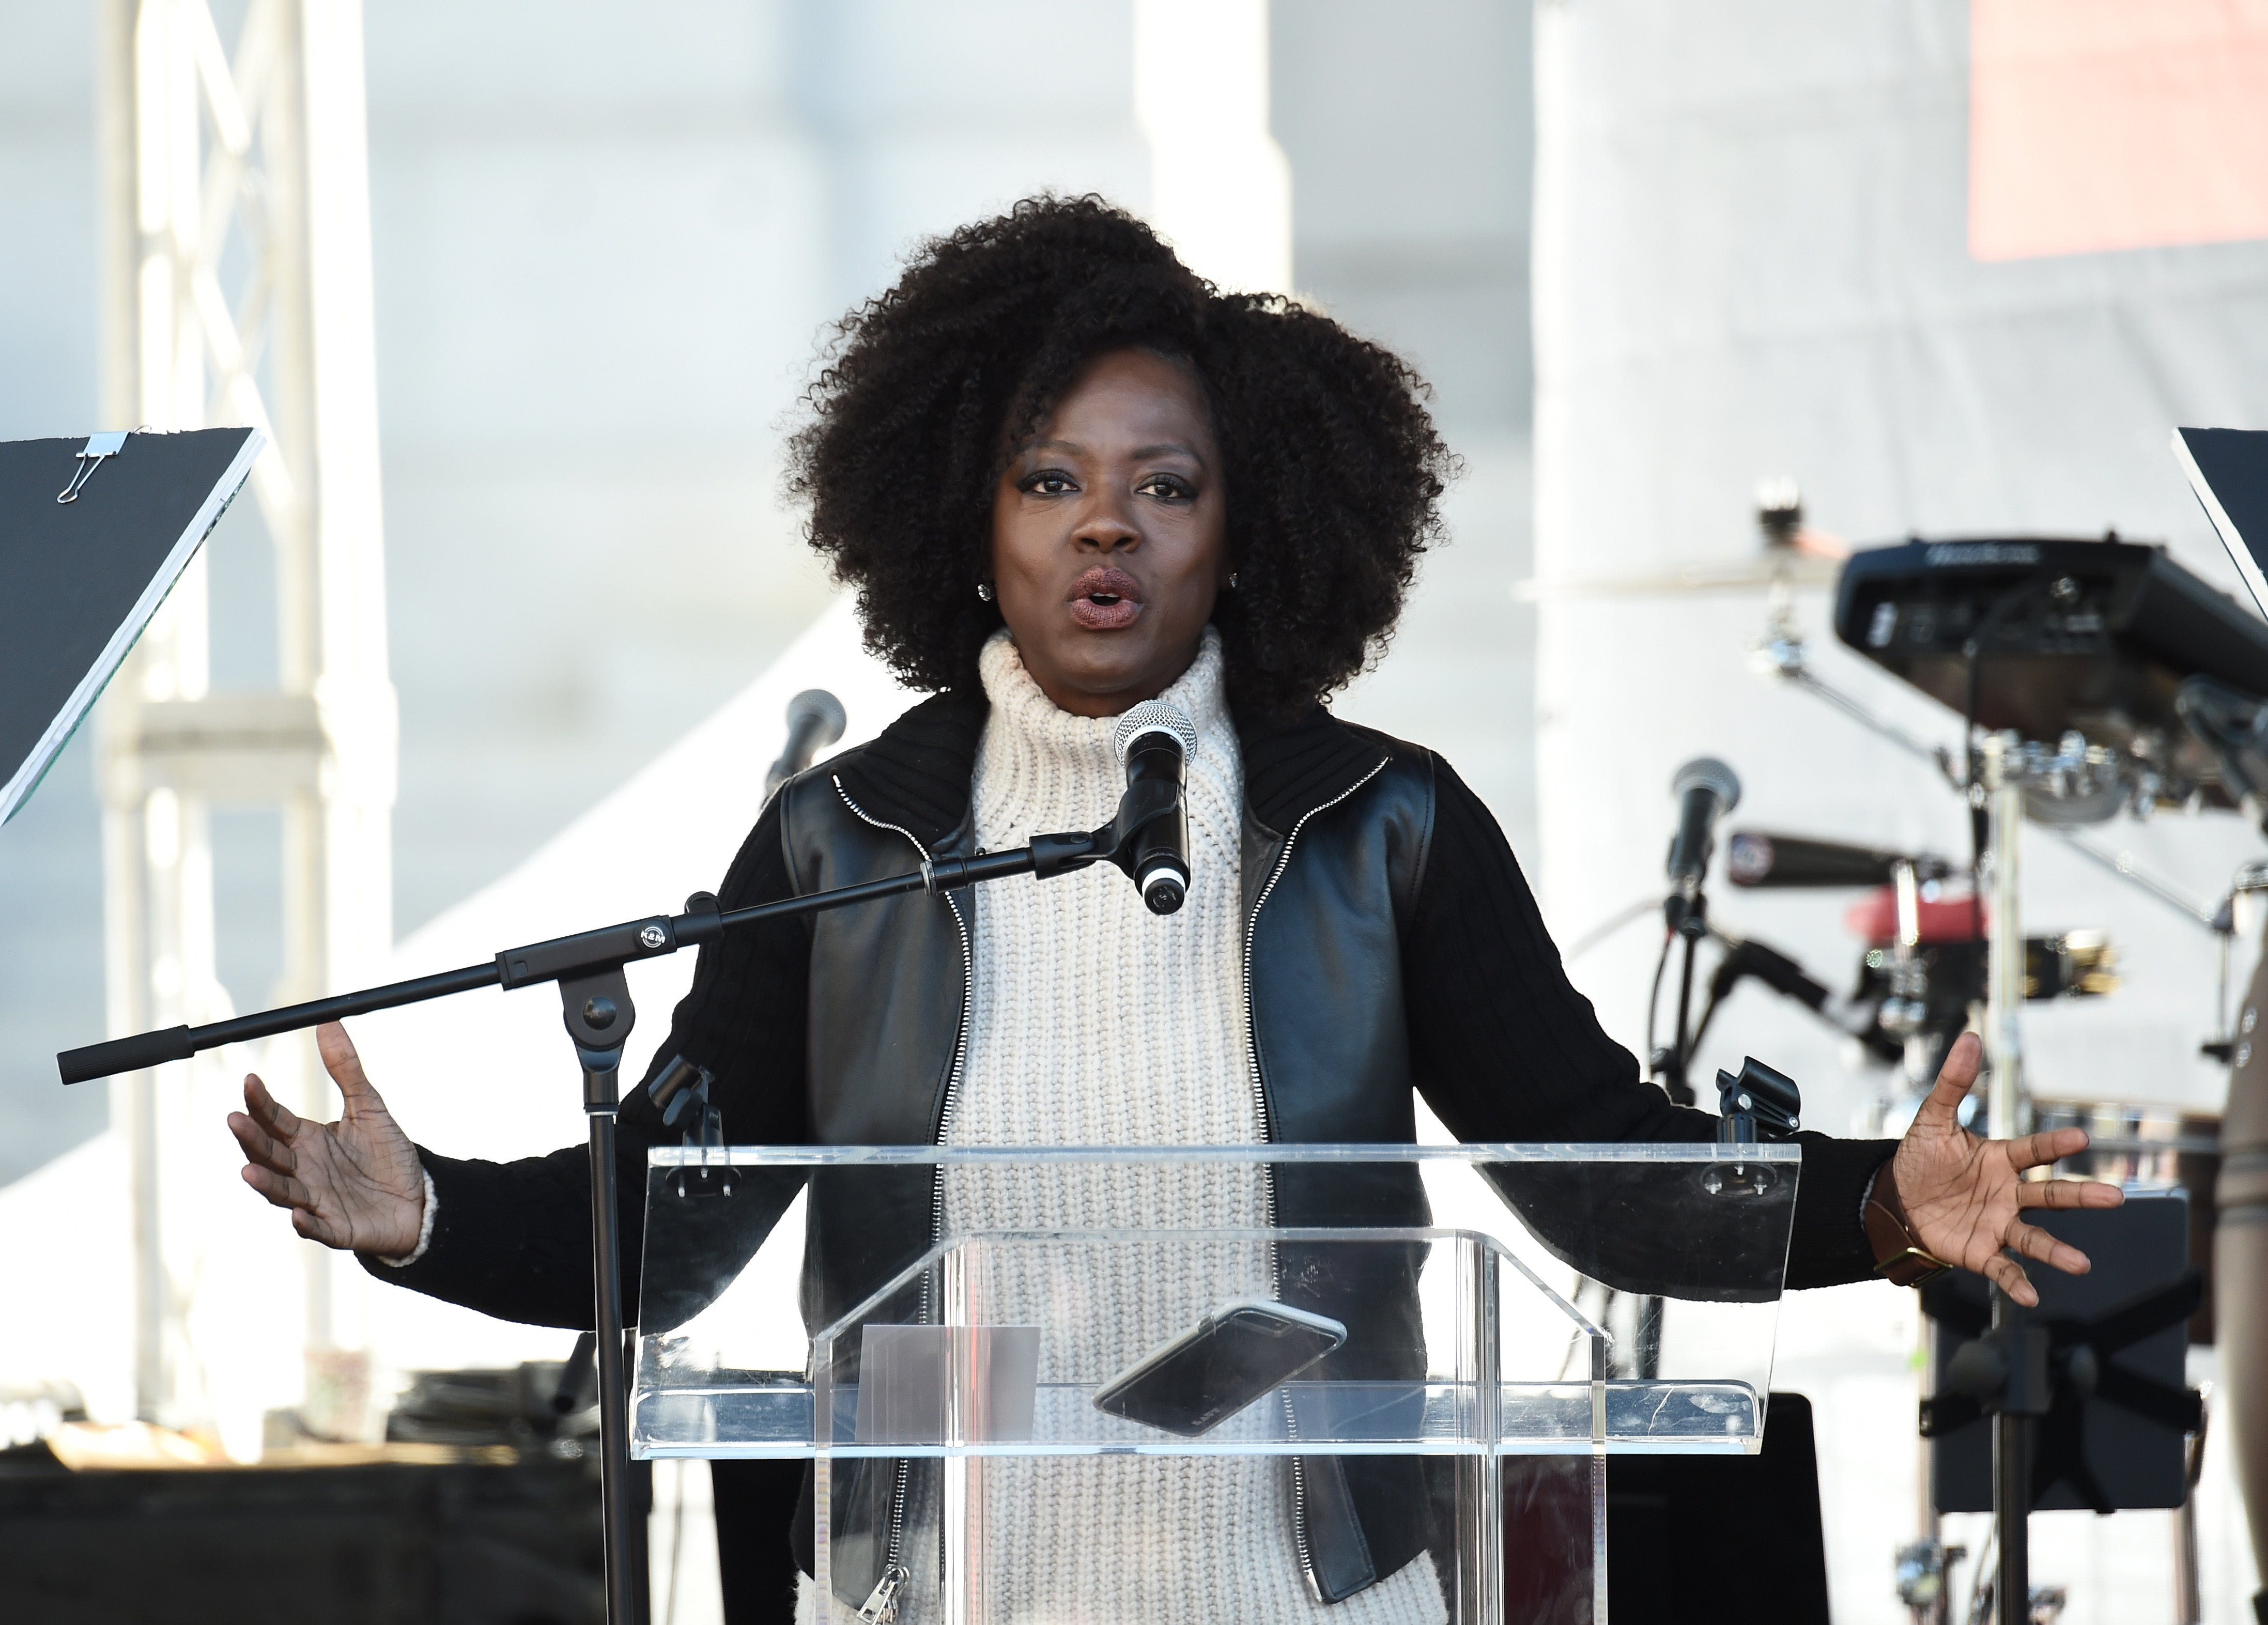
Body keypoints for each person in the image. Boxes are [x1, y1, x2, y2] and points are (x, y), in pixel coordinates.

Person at [226, 196, 2120, 1623]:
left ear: (1253, 525)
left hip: (1315, 1597)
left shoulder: (1380, 829)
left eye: (1165, 486)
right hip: (935, 1598)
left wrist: (1880, 1204)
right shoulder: (846, 837)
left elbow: (1597, 1162)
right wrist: (430, 1214)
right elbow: (672, 1222)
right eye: (1049, 480)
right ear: (968, 518)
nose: (1101, 527)